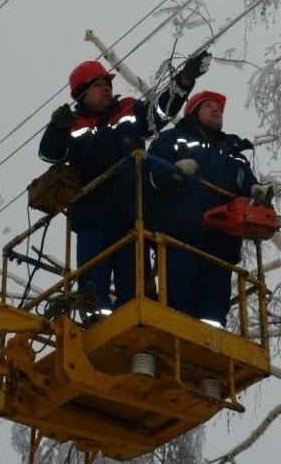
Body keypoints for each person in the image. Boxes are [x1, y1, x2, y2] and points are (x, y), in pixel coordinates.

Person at [39, 52, 211, 316]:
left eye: (108, 83)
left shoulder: (128, 111)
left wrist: (184, 81)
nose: (107, 88)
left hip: (132, 217)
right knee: (93, 291)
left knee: (135, 289)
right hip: (92, 220)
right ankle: (94, 325)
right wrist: (56, 127)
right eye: (99, 84)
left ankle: (136, 327)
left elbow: (160, 111)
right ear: (82, 93)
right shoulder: (72, 125)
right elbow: (50, 153)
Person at [146, 90, 268, 328]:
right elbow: (149, 170)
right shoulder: (172, 139)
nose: (216, 111)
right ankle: (179, 337)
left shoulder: (233, 152)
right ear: (193, 112)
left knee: (214, 309)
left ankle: (211, 345)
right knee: (180, 299)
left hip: (221, 241)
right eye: (208, 106)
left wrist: (255, 191)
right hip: (182, 232)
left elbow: (245, 181)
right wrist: (173, 172)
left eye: (219, 109)